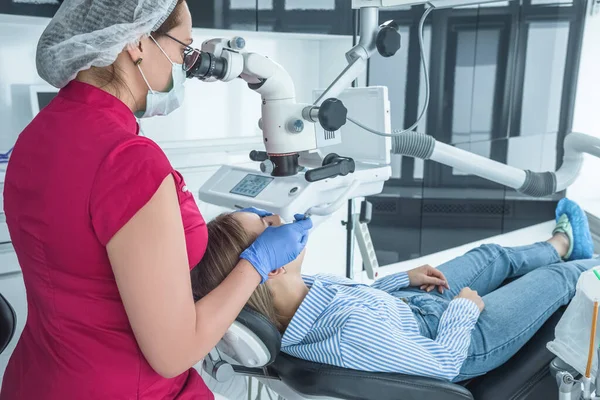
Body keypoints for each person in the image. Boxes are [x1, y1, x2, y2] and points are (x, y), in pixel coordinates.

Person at [1, 1, 312, 399]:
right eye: (183, 49)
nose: (184, 66)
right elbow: (173, 353)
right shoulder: (127, 161)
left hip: (35, 378)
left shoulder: (36, 136)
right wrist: (257, 263)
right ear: (137, 44)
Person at [192, 198, 598, 382]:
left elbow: (364, 297)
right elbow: (443, 364)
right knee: (559, 282)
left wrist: (402, 280)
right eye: (266, 225)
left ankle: (562, 246)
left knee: (492, 255)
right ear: (272, 265)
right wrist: (462, 311)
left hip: (410, 305)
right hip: (458, 340)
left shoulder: (301, 297)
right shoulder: (345, 334)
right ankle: (582, 263)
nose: (278, 218)